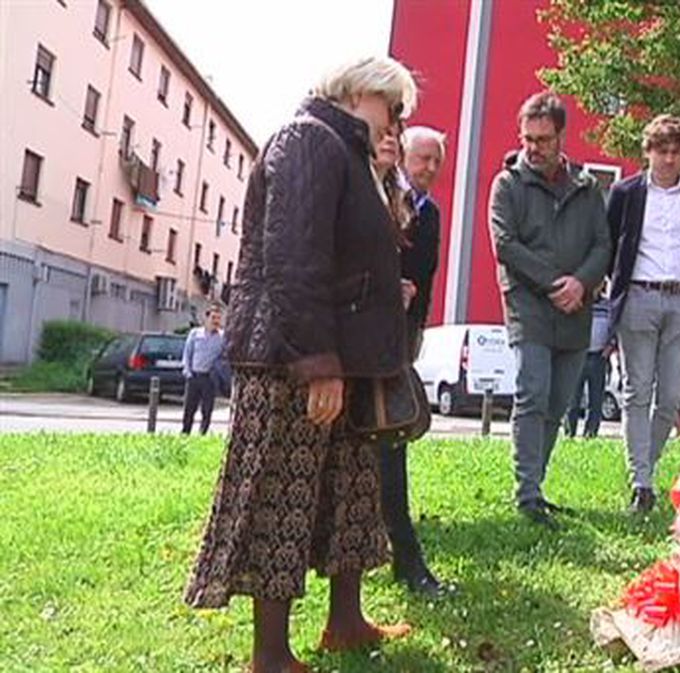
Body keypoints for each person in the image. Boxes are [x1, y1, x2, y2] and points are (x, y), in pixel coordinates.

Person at [184, 57, 418, 673]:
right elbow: (293, 257)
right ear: (363, 92)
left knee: (350, 494)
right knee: (280, 502)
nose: (396, 124)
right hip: (293, 359)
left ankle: (345, 623)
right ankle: (271, 656)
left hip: (344, 355)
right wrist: (318, 364)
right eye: (394, 109)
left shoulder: (351, 154)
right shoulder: (308, 140)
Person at [488, 91, 611, 527]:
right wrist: (555, 283)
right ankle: (526, 495)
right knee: (532, 393)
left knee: (559, 403)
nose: (533, 148)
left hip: (576, 310)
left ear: (561, 136)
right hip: (529, 306)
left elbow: (603, 243)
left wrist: (581, 282)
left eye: (543, 139)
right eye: (527, 139)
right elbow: (505, 245)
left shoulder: (587, 187)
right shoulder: (508, 184)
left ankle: (536, 489)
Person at [606, 114, 680, 513]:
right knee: (637, 391)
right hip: (638, 296)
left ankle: (644, 469)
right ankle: (641, 482)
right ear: (648, 152)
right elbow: (611, 246)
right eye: (662, 151)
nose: (669, 160)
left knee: (671, 398)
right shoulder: (626, 193)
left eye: (676, 152)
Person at [373, 123, 447, 596]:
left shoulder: (431, 212)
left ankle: (400, 551)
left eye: (437, 162)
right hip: (367, 328)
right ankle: (398, 551)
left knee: (390, 434)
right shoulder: (378, 194)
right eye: (423, 159)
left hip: (402, 332)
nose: (430, 169)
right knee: (382, 438)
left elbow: (426, 272)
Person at [565, 295, 612, 439]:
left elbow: (614, 326)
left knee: (596, 400)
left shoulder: (607, 305)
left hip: (599, 357)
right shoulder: (579, 302)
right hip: (579, 355)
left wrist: (610, 346)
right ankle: (569, 434)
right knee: (573, 399)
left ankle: (590, 435)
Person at [181, 305, 224, 435]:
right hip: (194, 376)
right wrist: (188, 372)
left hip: (209, 378)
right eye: (213, 317)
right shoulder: (195, 333)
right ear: (206, 318)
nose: (216, 321)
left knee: (207, 409)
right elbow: (187, 354)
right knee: (189, 408)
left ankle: (202, 434)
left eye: (218, 318)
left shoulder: (222, 337)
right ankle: (185, 433)